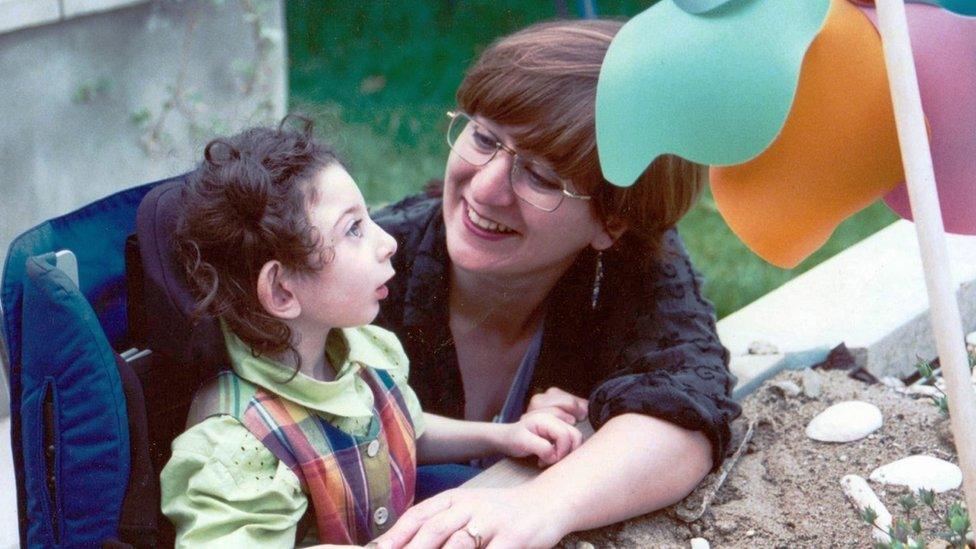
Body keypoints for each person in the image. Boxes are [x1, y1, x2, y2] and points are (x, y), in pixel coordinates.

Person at [369, 19, 742, 548]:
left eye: (541, 177)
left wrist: (540, 506)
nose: (488, 186)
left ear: (612, 223)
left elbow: (690, 406)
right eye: (483, 138)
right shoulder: (368, 264)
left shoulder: (631, 267)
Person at [158, 119, 583, 547]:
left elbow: (402, 426)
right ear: (283, 289)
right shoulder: (237, 445)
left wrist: (504, 436)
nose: (388, 242)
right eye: (354, 229)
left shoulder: (364, 350)